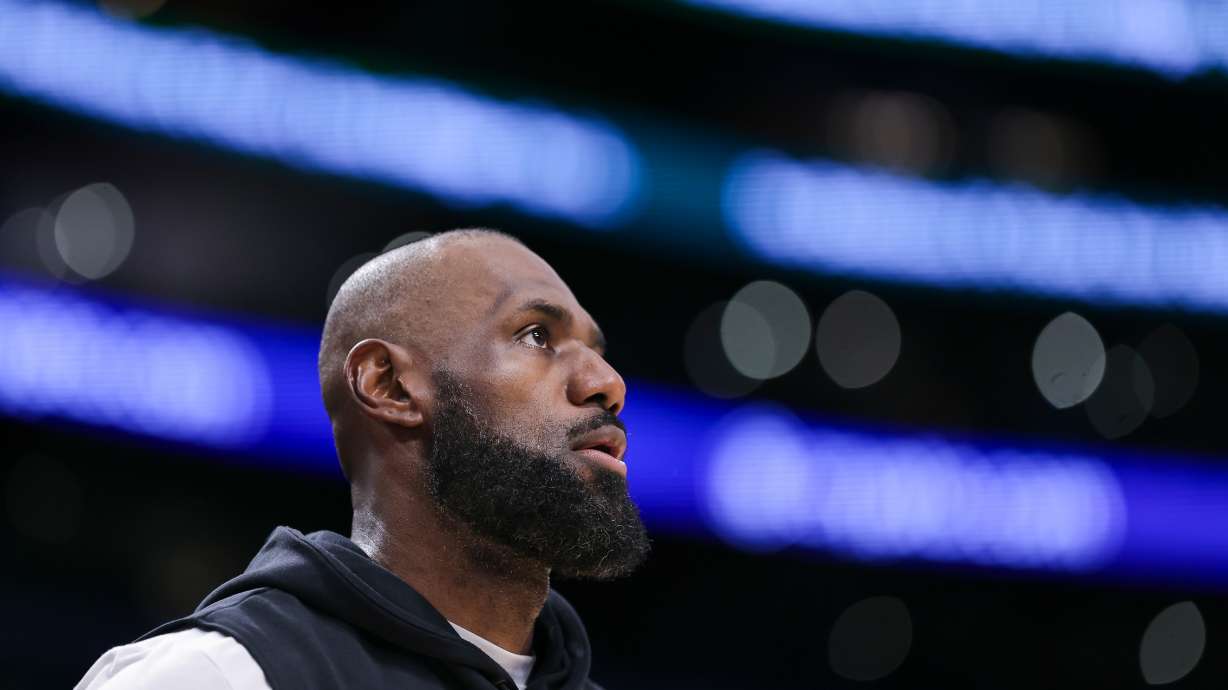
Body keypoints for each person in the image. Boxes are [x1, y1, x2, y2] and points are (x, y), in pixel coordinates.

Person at [76, 229, 651, 690]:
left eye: (597, 352)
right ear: (390, 385)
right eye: (535, 335)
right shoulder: (213, 676)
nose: (608, 383)